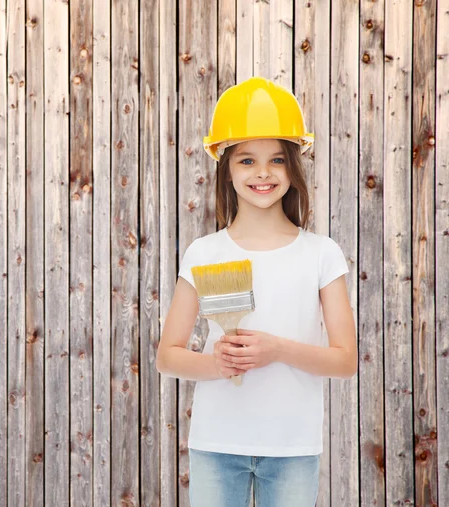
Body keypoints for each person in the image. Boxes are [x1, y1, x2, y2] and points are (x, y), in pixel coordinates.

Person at [156, 77, 357, 507]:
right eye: (246, 160)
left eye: (277, 160)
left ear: (293, 168)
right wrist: (218, 362)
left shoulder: (321, 254)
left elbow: (344, 361)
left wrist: (277, 349)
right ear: (226, 169)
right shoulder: (204, 252)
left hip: (292, 448)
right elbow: (167, 355)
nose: (262, 173)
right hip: (216, 444)